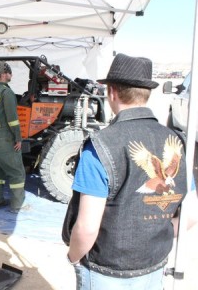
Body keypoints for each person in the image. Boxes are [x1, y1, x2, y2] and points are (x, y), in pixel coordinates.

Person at [62, 53, 198, 289]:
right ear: (146, 93)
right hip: (155, 266)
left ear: (112, 92)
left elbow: (87, 227)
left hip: (106, 270)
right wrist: (158, 237)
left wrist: (73, 256)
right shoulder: (178, 141)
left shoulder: (100, 146)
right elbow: (191, 214)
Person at [0, 61, 25, 213]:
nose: (11, 75)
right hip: (4, 139)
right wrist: (18, 138)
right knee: (17, 172)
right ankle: (17, 205)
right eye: (9, 72)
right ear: (4, 74)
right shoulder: (6, 93)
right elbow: (12, 119)